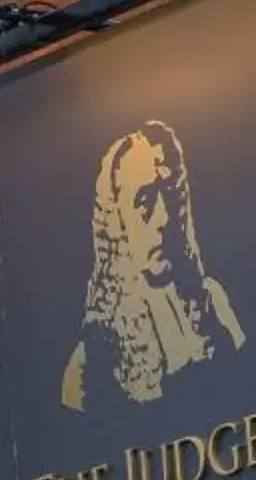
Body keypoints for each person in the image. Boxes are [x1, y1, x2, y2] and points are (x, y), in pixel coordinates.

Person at [61, 120, 244, 411]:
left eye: (168, 195)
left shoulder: (216, 307)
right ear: (116, 221)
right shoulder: (91, 362)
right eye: (143, 201)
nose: (163, 219)